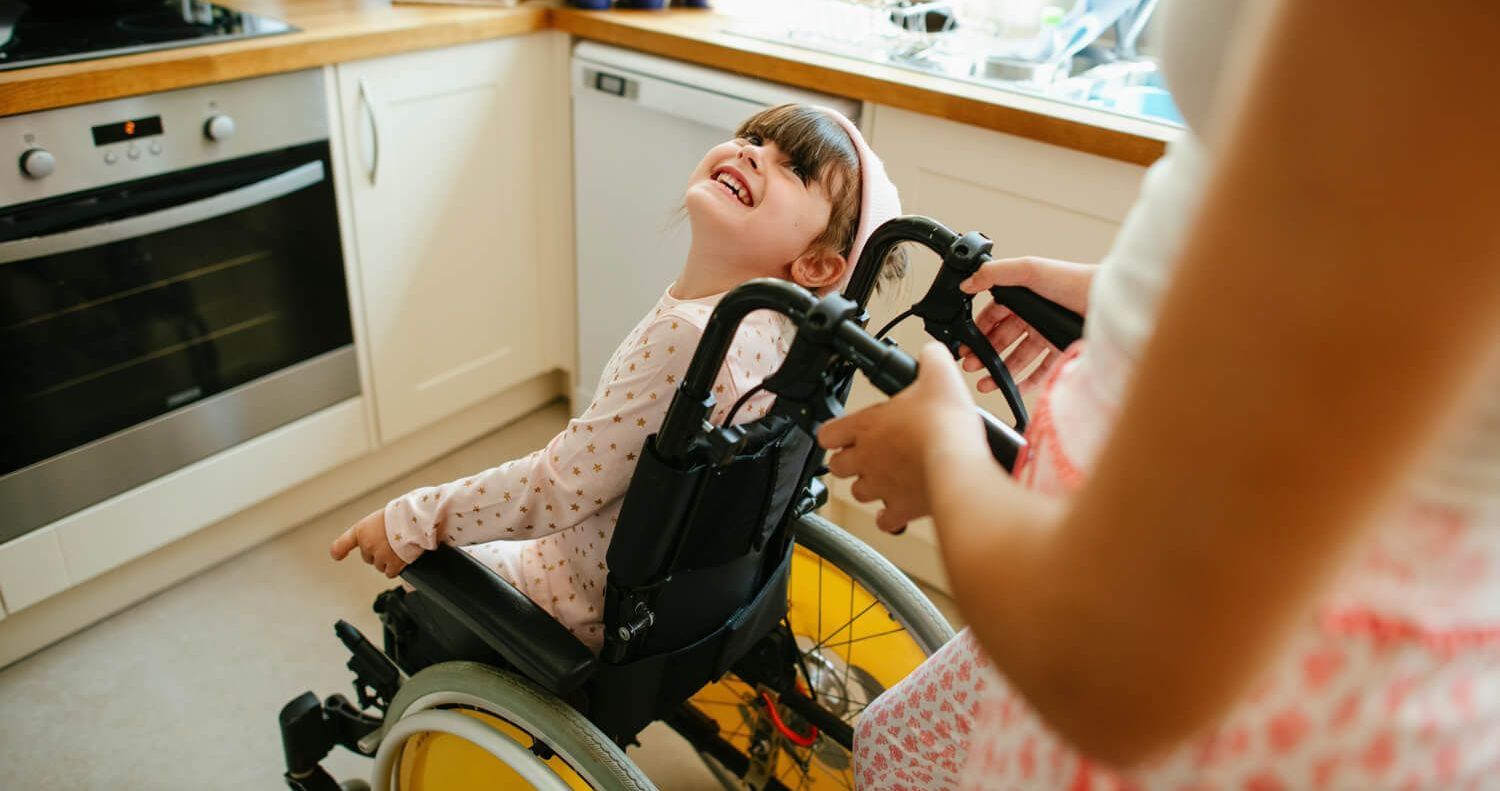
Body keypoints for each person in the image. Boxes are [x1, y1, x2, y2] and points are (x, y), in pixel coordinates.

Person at [821, 0, 1500, 787]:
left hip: (1221, 658)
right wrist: (1128, 305)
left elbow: (1109, 665)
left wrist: (944, 447)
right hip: (1135, 545)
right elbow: (1370, 242)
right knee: (901, 743)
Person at [330, 104, 904, 651]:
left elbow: (555, 487)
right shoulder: (786, 337)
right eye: (754, 138)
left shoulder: (689, 339)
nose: (752, 154)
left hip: (578, 599)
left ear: (816, 266)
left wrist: (413, 517)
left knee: (422, 574)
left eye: (794, 168)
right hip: (694, 592)